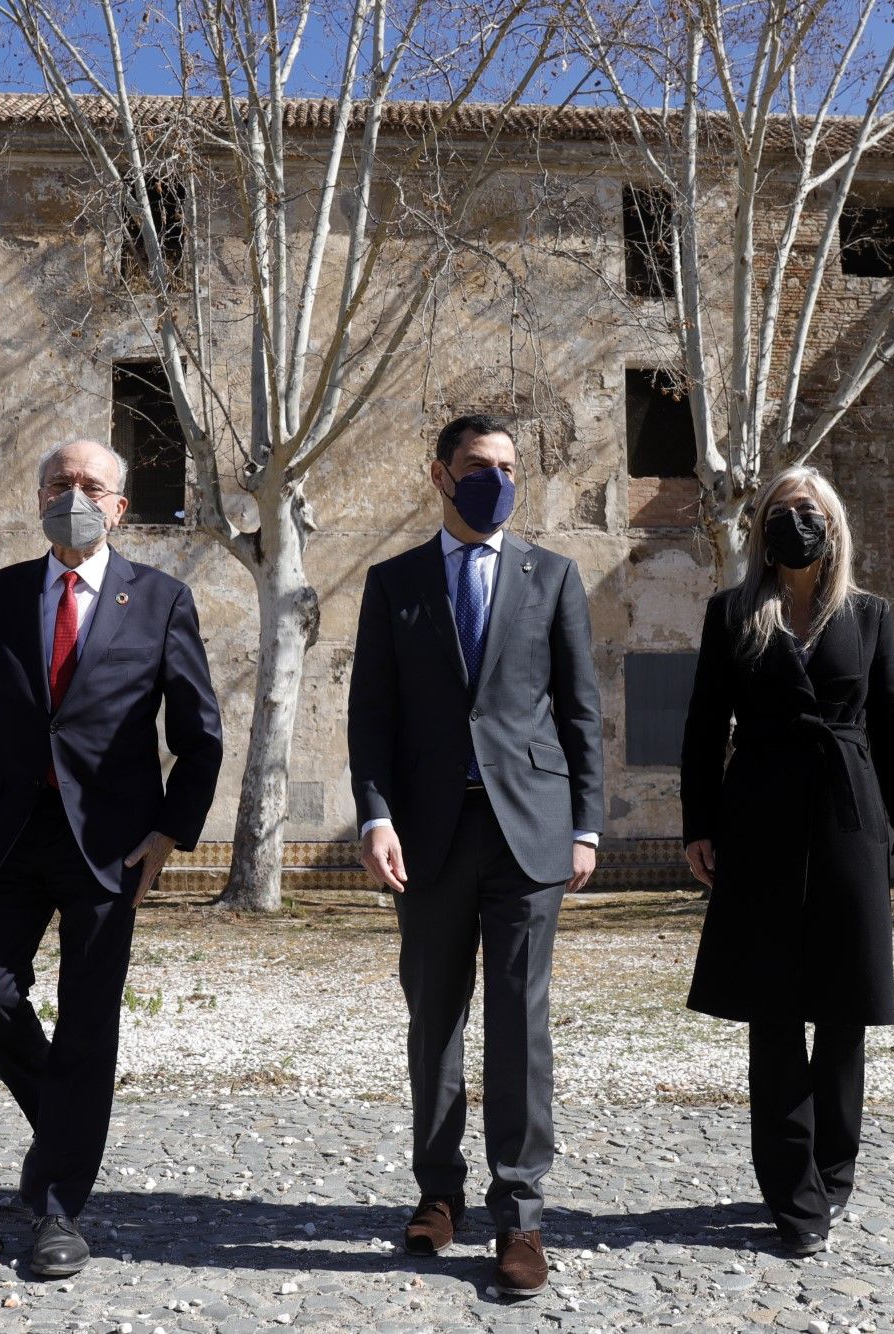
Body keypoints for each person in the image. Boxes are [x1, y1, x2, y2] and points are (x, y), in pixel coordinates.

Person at [0, 438, 223, 1278]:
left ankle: (57, 1209)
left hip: (112, 846)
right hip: (9, 835)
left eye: (92, 486)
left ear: (120, 507)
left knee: (88, 1023)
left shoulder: (161, 600)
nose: (74, 497)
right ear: (37, 497)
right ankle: (69, 1121)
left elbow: (199, 736)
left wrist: (172, 831)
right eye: (59, 482)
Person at [347, 413, 605, 1299]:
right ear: (440, 475)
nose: (495, 478)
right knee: (434, 1018)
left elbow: (580, 710)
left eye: (507, 466)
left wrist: (586, 826)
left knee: (520, 1023)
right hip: (426, 836)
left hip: (529, 831)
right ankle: (438, 1193)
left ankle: (520, 1215)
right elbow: (371, 714)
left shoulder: (552, 575)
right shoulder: (393, 582)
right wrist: (374, 816)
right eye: (477, 464)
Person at [678, 464, 894, 1258]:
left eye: (810, 508)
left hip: (850, 821)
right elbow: (702, 728)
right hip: (758, 820)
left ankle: (832, 1169)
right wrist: (698, 825)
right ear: (763, 527)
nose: (797, 520)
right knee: (775, 1011)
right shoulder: (732, 614)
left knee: (846, 1007)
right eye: (784, 508)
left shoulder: (869, 614)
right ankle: (792, 1195)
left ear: (834, 524)